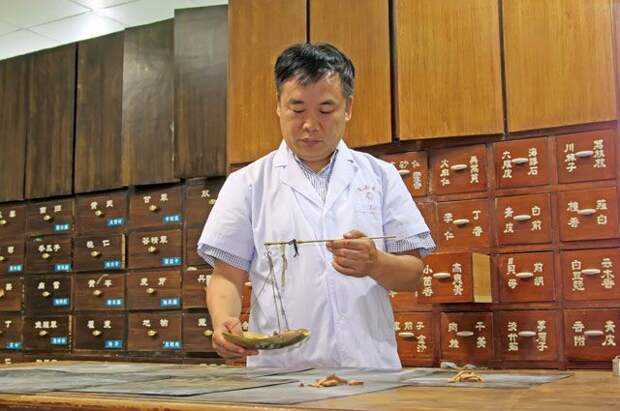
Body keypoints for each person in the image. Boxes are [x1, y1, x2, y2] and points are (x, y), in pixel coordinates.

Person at [198, 43, 435, 369]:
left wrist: (375, 263)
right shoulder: (248, 183)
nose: (310, 124)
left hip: (368, 368)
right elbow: (227, 274)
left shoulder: (381, 176)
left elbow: (413, 275)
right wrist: (224, 322)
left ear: (347, 107)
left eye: (325, 110)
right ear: (278, 105)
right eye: (297, 109)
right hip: (280, 374)